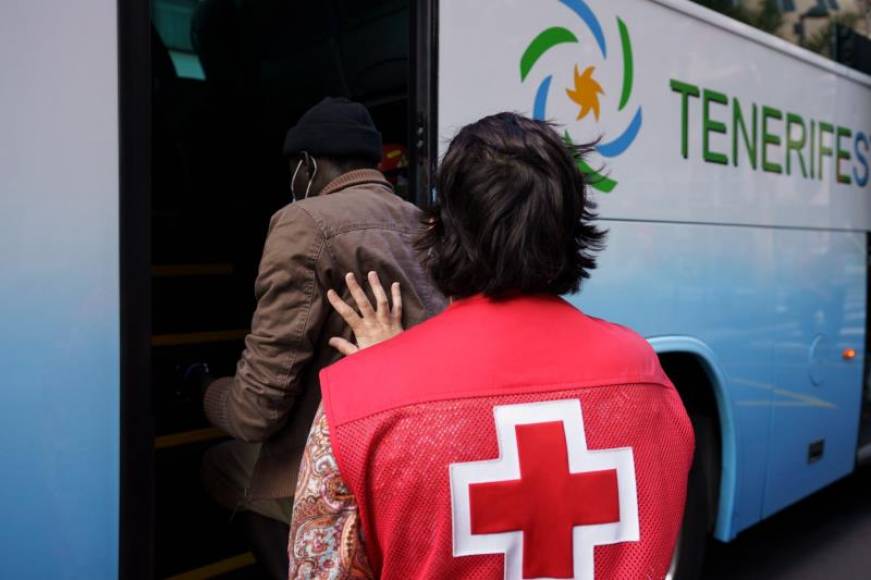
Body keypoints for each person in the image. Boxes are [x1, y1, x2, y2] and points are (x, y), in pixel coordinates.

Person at [287, 113, 694, 579]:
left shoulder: (359, 400)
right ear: (571, 228)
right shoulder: (648, 376)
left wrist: (385, 373)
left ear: (439, 228)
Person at [200, 97, 447, 579]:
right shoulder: (423, 224)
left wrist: (207, 392)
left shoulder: (302, 222)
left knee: (219, 466)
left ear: (306, 166)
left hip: (348, 461)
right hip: (416, 452)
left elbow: (254, 412)